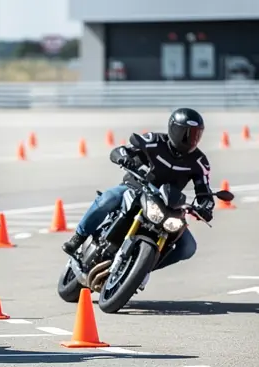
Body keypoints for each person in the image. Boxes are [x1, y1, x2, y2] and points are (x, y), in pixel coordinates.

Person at [62, 107, 215, 289]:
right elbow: (121, 150)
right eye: (186, 133)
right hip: (136, 187)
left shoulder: (199, 161)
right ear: (173, 129)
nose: (191, 139)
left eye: (196, 134)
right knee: (107, 199)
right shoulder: (154, 141)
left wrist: (206, 206)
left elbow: (204, 190)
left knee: (188, 247)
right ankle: (79, 237)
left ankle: (142, 269)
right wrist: (123, 157)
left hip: (168, 205)